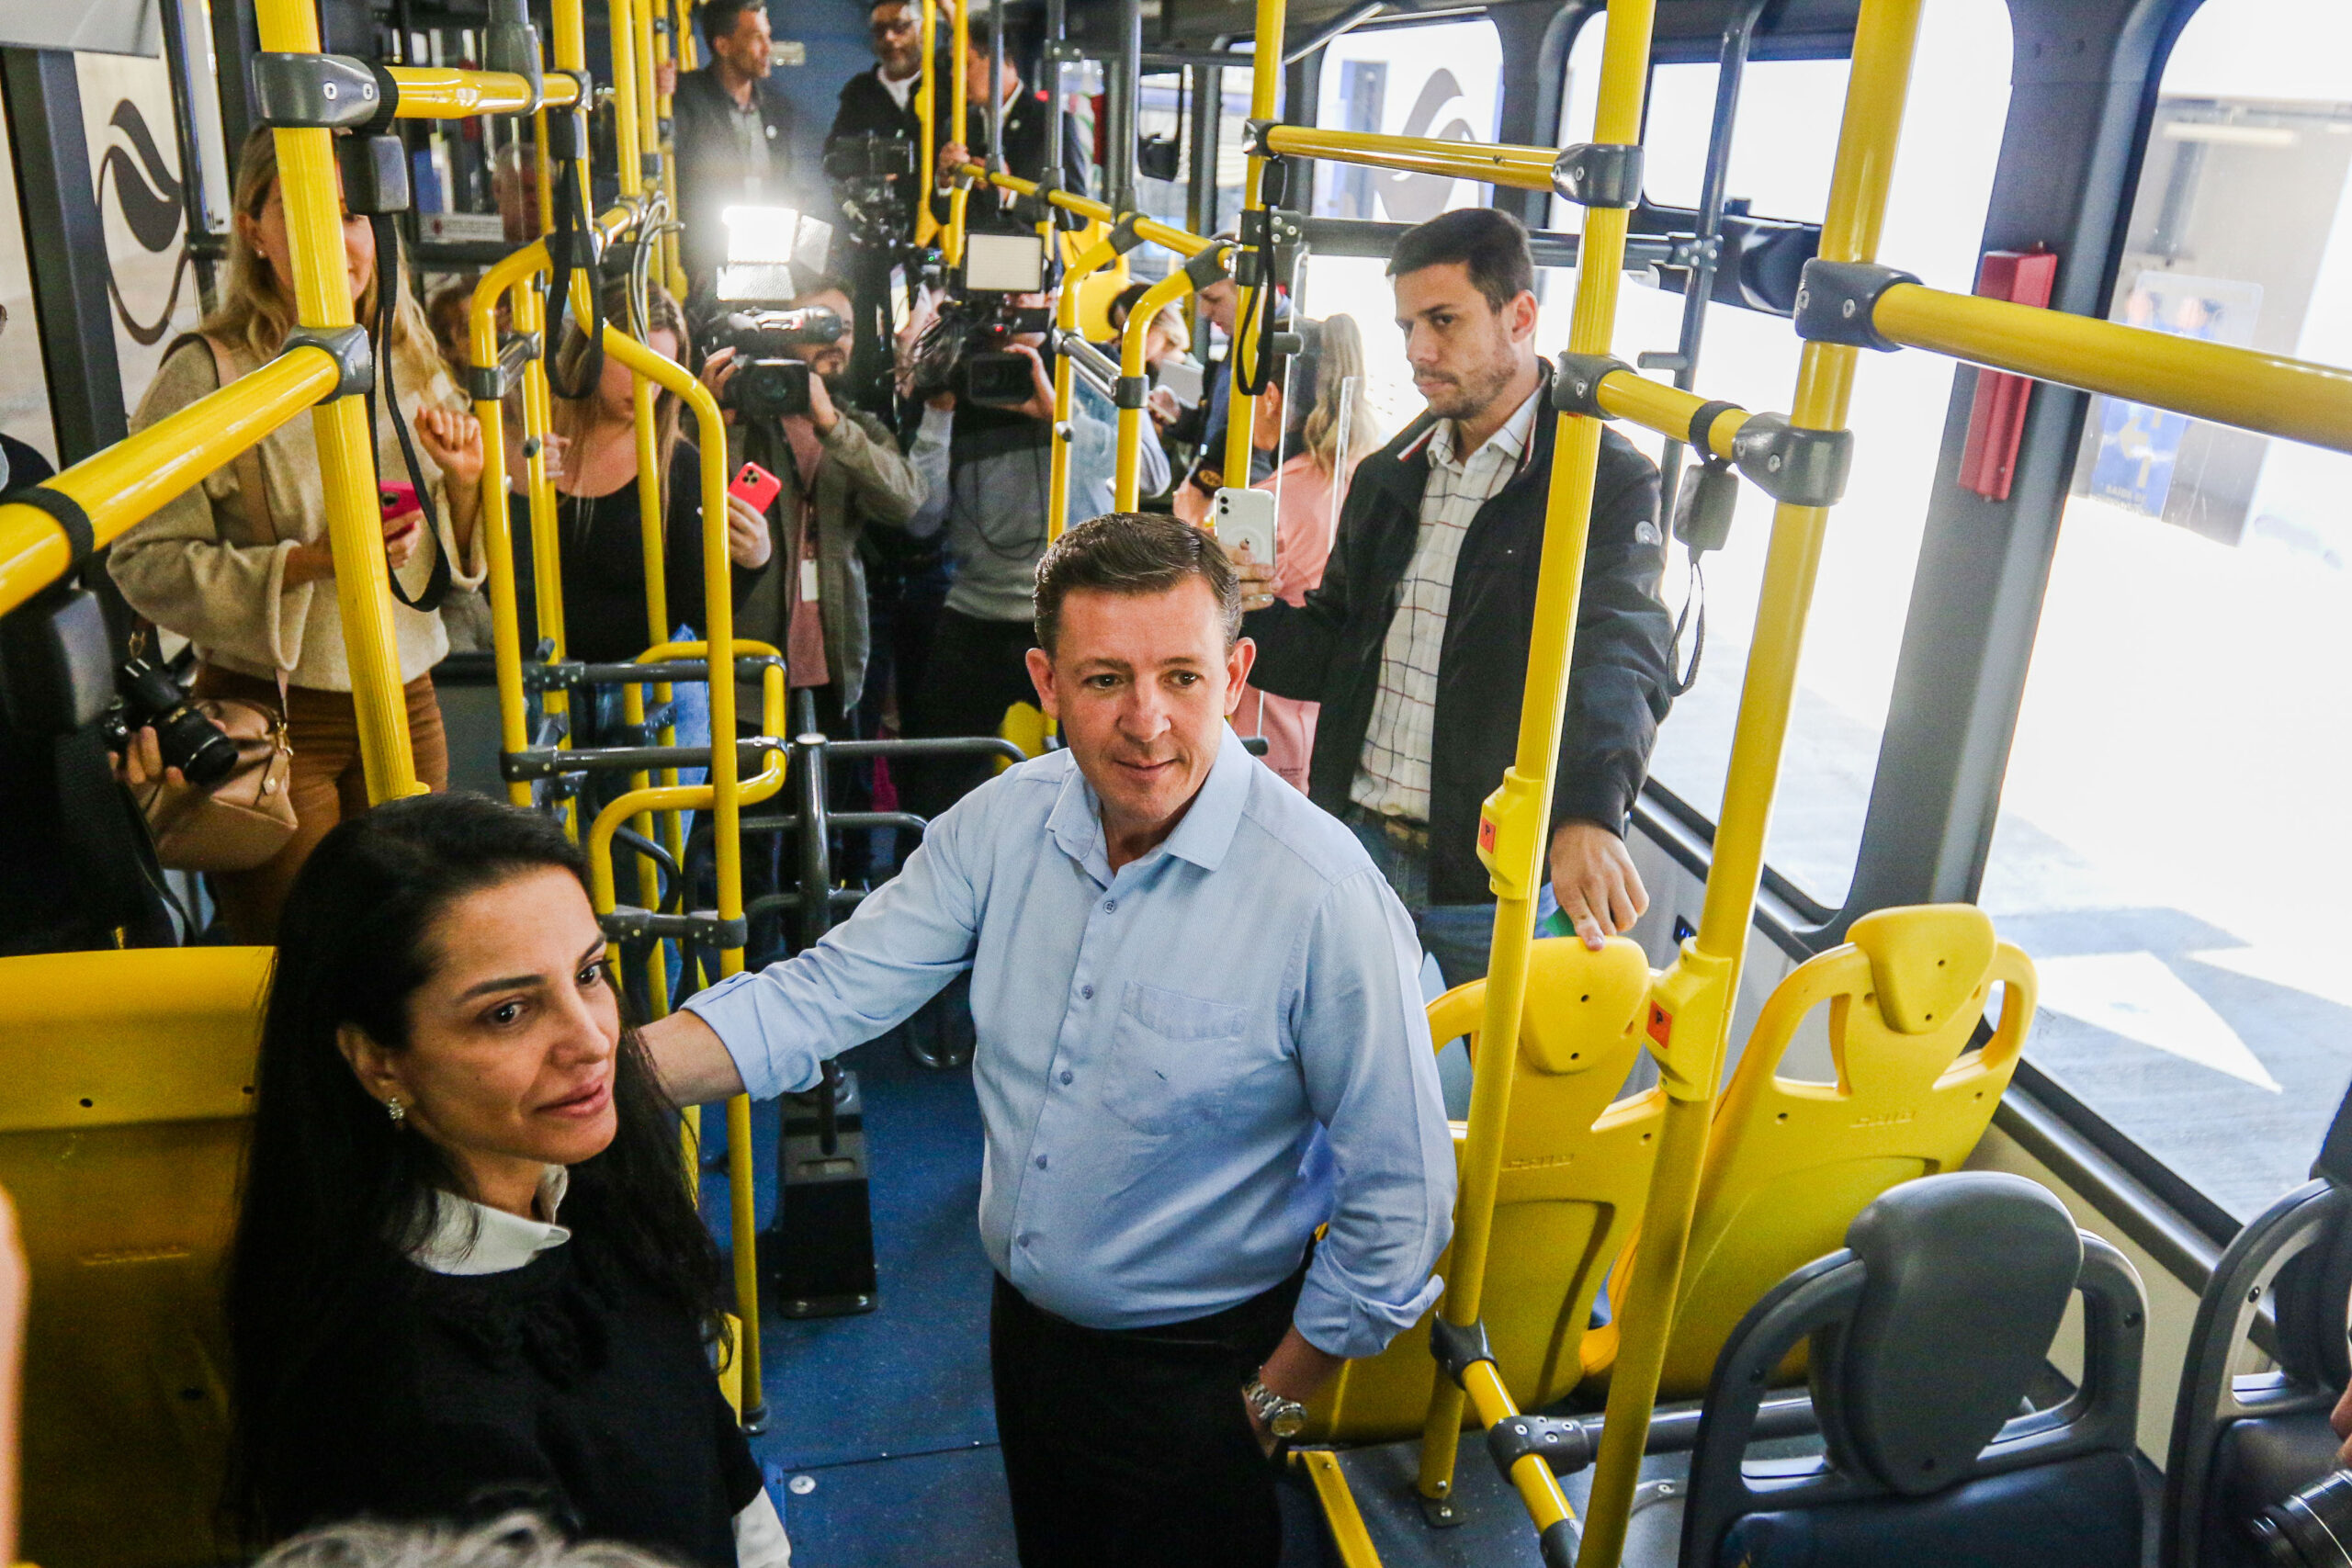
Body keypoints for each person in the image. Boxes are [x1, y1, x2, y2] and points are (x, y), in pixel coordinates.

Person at [643, 513, 1453, 1568]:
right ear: (1046, 680)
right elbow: (827, 993)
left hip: (1206, 1368)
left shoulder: (1320, 896)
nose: (1147, 722)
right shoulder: (1001, 825)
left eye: (1181, 677)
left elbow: (1403, 1196)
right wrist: (603, 1075)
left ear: (1238, 674)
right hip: (1026, 1336)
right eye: (1106, 679)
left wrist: (1271, 1397)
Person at [222, 794, 789, 1567]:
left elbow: (708, 1451)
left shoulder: (584, 1186)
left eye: (590, 973)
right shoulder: (408, 1421)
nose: (591, 1039)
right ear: (378, 1060)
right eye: (508, 1013)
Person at [1237, 207, 1674, 983]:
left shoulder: (1600, 479)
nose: (1417, 352)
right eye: (1406, 326)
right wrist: (1235, 613)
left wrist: (1587, 812)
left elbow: (1622, 653)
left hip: (1491, 872)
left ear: (1521, 316)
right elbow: (1332, 651)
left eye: (1443, 321)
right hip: (1358, 844)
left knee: (1493, 1095)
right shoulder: (1389, 475)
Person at [109, 127, 486, 944]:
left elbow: (449, 560)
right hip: (271, 712)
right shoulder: (205, 374)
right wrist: (310, 565)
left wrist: (464, 484)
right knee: (296, 954)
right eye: (301, 207)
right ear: (253, 229)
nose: (333, 237)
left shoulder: (409, 352)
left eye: (351, 215)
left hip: (407, 691)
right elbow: (140, 558)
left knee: (408, 945)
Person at [900, 292, 1167, 815]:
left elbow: (1152, 476)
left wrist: (1056, 414)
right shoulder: (957, 373)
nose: (1017, 307)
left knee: (1105, 791)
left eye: (1028, 294)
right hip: (977, 612)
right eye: (1002, 298)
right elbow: (921, 518)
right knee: (941, 791)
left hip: (1083, 615)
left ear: (1052, 296)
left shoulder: (1094, 368)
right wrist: (937, 410)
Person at [505, 280, 769, 802]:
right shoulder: (530, 442)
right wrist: (516, 492)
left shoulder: (682, 465)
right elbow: (502, 585)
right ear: (588, 355)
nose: (648, 382)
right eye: (632, 360)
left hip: (656, 687)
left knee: (650, 870)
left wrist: (751, 561)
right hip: (547, 688)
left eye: (664, 369)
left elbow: (699, 607)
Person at [706, 270, 926, 736]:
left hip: (834, 665)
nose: (836, 340)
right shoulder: (730, 419)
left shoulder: (856, 426)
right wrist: (715, 417)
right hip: (742, 671)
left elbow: (907, 502)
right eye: (819, 326)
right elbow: (694, 508)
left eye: (844, 328)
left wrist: (831, 424)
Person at [1223, 314, 1382, 792]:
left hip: (1266, 739)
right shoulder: (1371, 478)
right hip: (1341, 736)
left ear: (1269, 397)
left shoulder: (1274, 501)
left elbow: (1225, 608)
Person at [673, 0, 800, 288]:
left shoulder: (778, 110)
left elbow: (785, 185)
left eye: (768, 36)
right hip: (703, 268)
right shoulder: (685, 97)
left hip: (769, 260)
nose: (768, 48)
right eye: (757, 38)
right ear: (723, 45)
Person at [933, 27, 1087, 210]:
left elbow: (1077, 215)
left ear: (1002, 62)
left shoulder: (1052, 124)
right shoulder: (957, 124)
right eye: (953, 65)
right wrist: (944, 181)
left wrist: (1010, 195)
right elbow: (941, 216)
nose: (954, 74)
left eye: (966, 64)